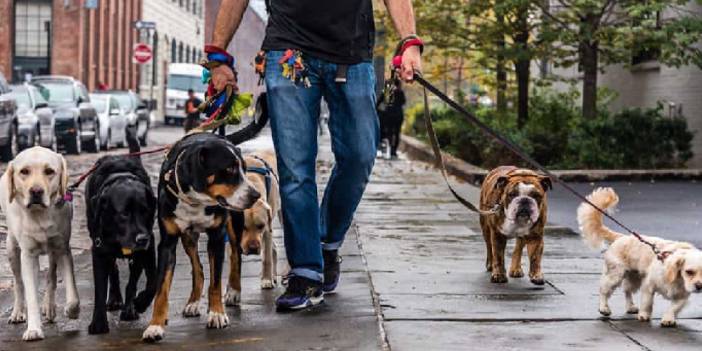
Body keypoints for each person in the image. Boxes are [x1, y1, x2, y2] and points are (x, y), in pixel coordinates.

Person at [210, 0, 422, 311]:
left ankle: (327, 243)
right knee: (295, 169)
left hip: (351, 54)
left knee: (360, 155)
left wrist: (409, 43)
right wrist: (218, 57)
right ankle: (306, 273)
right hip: (288, 52)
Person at [381, 78, 406, 159]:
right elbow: (403, 102)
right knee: (397, 133)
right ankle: (393, 151)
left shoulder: (388, 90)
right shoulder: (400, 92)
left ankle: (391, 148)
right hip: (398, 115)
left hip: (389, 115)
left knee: (390, 133)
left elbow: (380, 100)